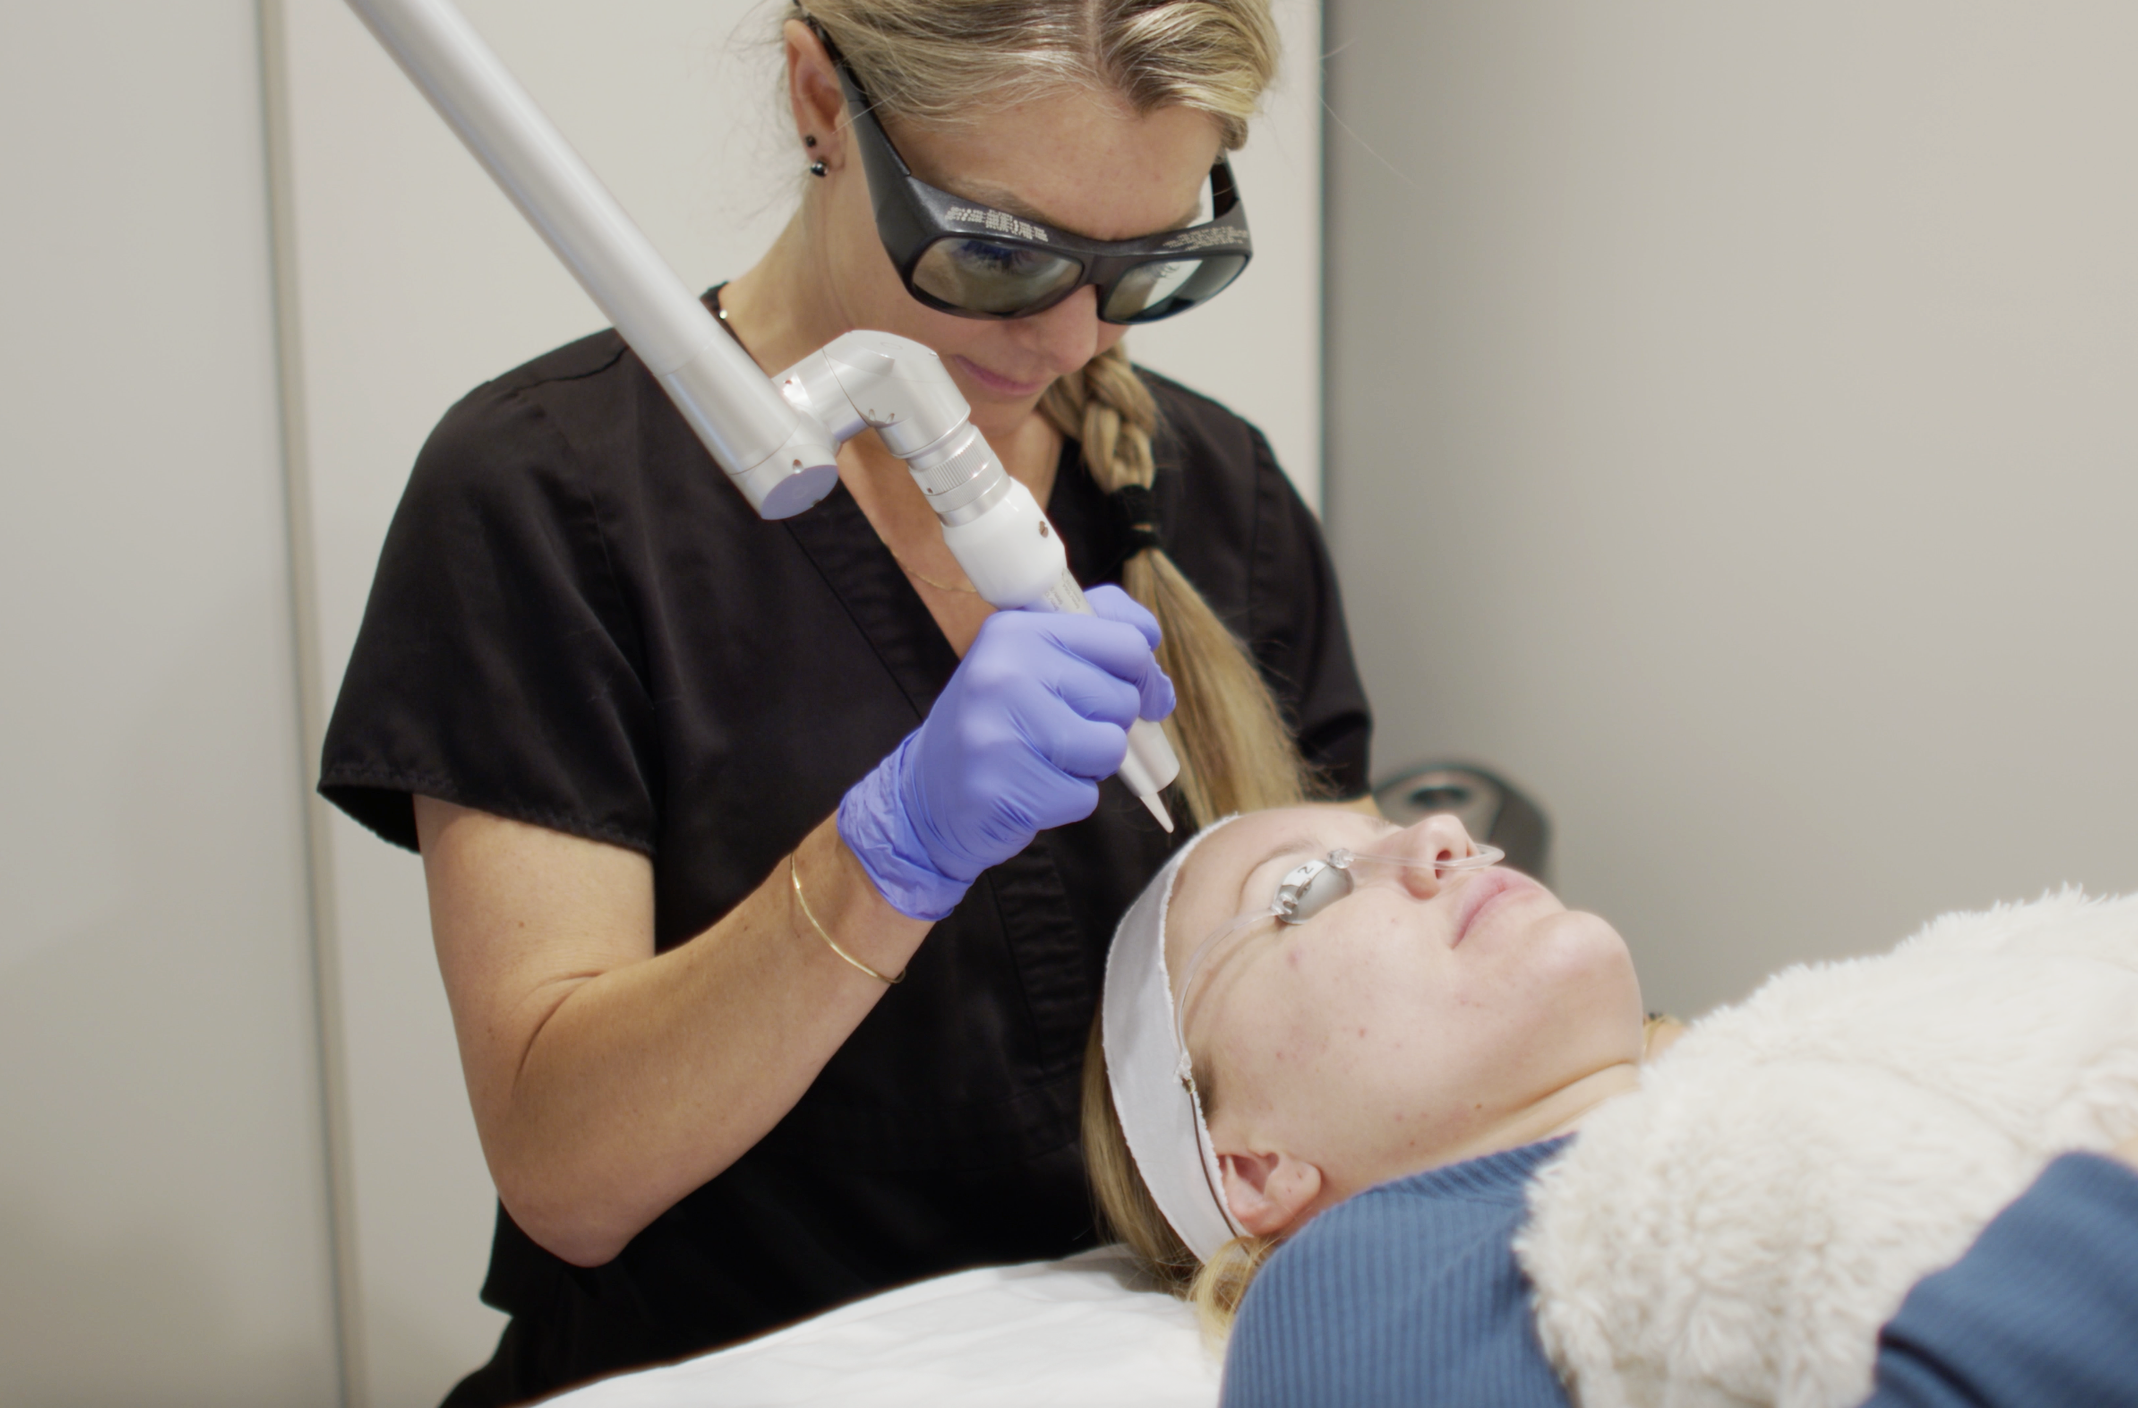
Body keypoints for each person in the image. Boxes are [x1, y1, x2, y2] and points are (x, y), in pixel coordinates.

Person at [318, 5, 1370, 1403]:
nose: (1068, 336)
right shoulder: (551, 497)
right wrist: (889, 854)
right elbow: (567, 1176)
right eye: (1000, 251)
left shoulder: (1214, 492)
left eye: (1146, 265)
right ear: (822, 96)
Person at [1083, 806, 2138, 1408]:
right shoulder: (1352, 1291)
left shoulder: (1814, 1057)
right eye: (1306, 891)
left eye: (1393, 823)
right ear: (1251, 1163)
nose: (1436, 840)